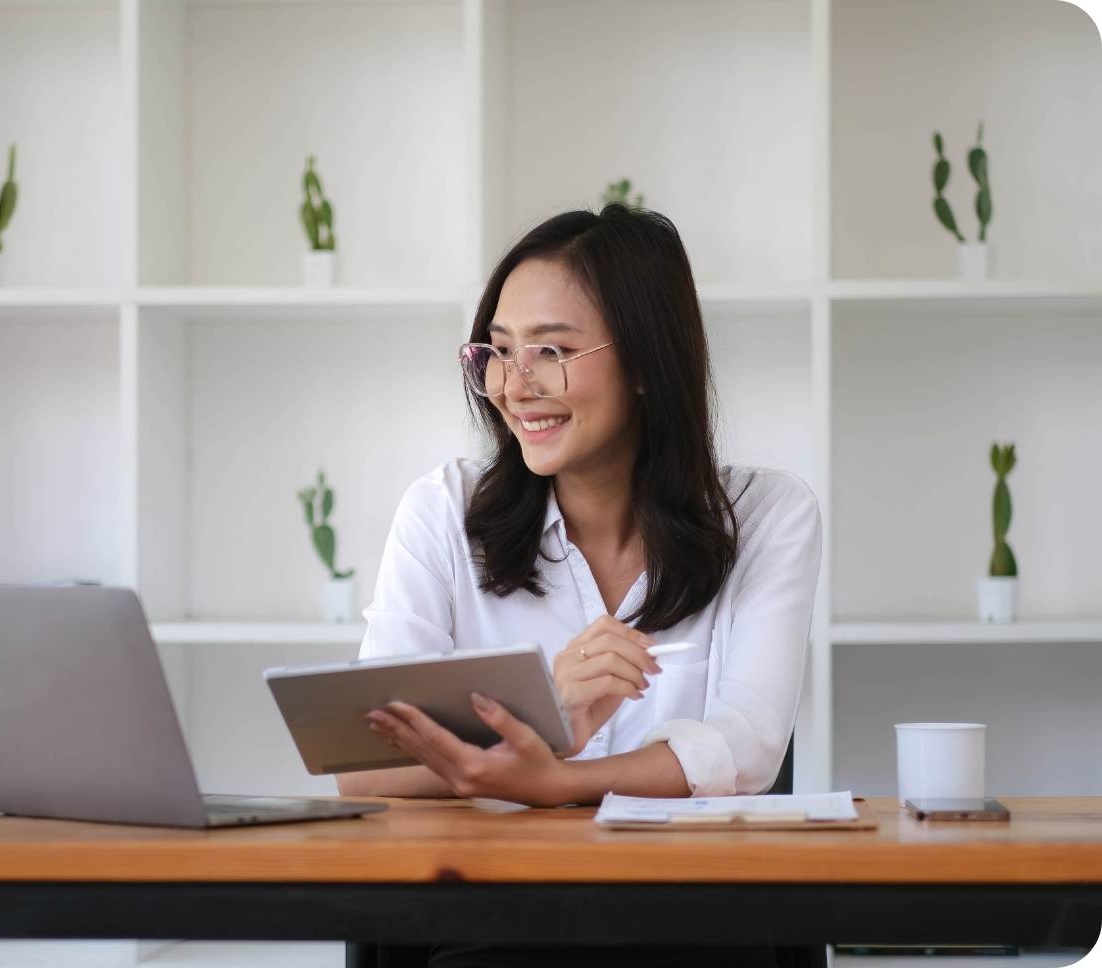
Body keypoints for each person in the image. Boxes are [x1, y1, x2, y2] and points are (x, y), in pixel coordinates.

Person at [335, 203, 822, 968]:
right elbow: (364, 765)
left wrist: (552, 778)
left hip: (696, 914)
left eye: (552, 351)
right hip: (498, 916)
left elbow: (749, 749)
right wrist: (542, 716)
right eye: (499, 351)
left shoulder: (765, 516)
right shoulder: (443, 511)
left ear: (647, 364)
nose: (514, 385)